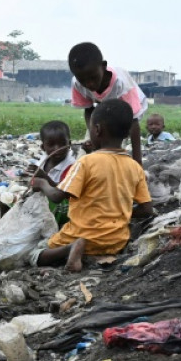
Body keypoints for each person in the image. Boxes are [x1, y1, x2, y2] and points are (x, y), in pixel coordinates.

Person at [29, 99, 154, 272]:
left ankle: (69, 248)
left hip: (81, 237)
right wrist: (116, 212)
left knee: (33, 254)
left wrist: (42, 183)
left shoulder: (86, 162)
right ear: (126, 134)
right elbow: (147, 209)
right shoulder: (134, 167)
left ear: (96, 130)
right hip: (115, 243)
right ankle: (83, 254)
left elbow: (57, 196)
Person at [68, 42, 148, 165]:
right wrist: (93, 136)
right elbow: (88, 109)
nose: (89, 84)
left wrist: (138, 162)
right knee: (100, 143)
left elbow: (133, 122)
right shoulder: (77, 84)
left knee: (115, 141)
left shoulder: (122, 84)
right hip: (103, 107)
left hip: (131, 107)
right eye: (83, 80)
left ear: (104, 66)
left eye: (93, 78)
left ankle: (120, 163)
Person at [33, 120, 75, 228]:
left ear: (69, 144)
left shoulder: (71, 166)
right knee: (6, 200)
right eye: (51, 145)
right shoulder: (44, 160)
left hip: (63, 206)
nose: (57, 149)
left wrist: (44, 178)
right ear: (43, 147)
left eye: (62, 144)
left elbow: (62, 193)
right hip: (45, 200)